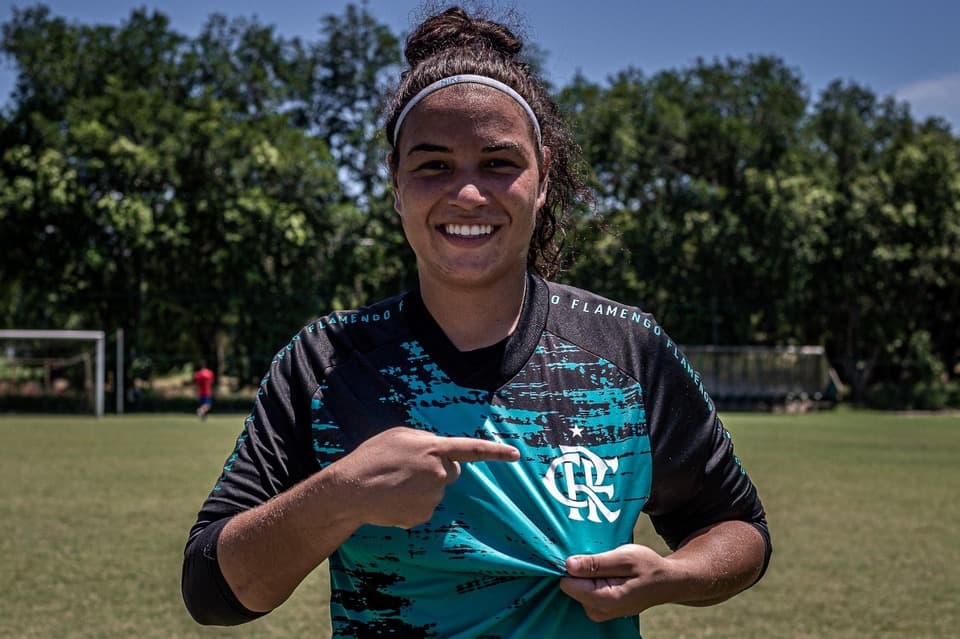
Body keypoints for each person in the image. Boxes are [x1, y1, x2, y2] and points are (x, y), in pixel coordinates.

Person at [181, 6, 771, 637]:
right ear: (396, 183)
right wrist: (342, 493)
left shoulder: (626, 347)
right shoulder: (326, 361)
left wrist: (673, 576)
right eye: (434, 164)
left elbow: (739, 527)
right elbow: (212, 592)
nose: (467, 194)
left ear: (542, 180)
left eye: (498, 163)